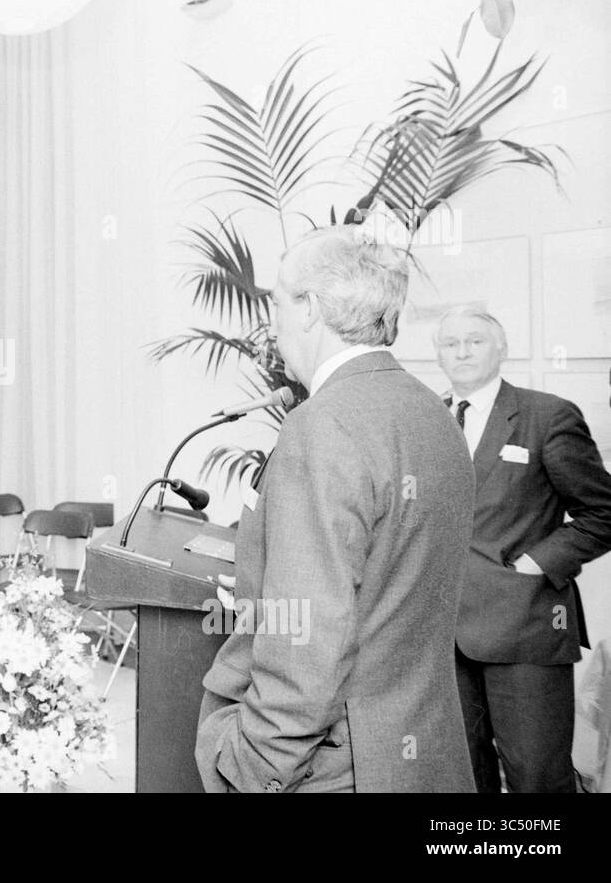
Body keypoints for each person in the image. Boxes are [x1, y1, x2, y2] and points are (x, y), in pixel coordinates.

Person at [194, 224, 477, 793]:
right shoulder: (432, 413)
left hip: (334, 768)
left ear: (310, 309)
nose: (271, 323)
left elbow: (309, 634)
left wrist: (254, 767)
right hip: (420, 754)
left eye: (275, 301)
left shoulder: (321, 426)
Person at [435, 306, 611, 793]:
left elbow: (604, 513)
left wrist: (537, 562)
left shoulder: (547, 415)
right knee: (464, 777)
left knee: (537, 781)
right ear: (439, 354)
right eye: (451, 343)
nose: (463, 351)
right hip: (444, 637)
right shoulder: (429, 418)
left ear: (502, 349)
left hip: (526, 626)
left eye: (475, 340)